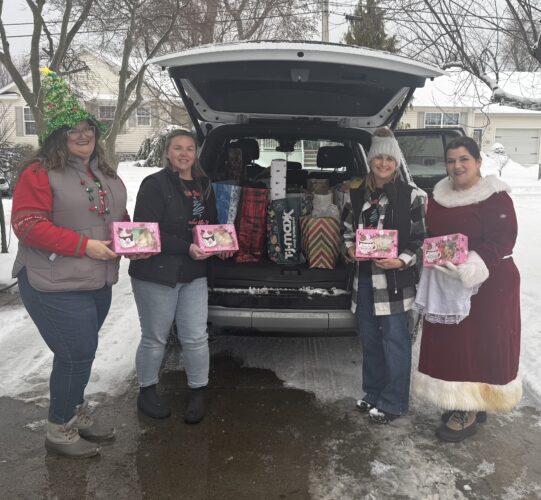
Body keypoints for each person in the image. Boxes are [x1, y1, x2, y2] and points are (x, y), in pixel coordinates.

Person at [11, 68, 128, 458]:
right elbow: (28, 225)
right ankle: (59, 429)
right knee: (76, 353)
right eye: (72, 130)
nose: (83, 135)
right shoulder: (39, 172)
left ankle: (73, 412)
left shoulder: (104, 172)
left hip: (97, 280)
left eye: (88, 128)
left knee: (82, 352)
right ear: (57, 136)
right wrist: (84, 245)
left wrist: (133, 238)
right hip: (52, 281)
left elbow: (116, 218)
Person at [412, 136, 522, 442]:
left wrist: (473, 265)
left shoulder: (495, 197)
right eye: (451, 160)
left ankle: (470, 408)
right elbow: (432, 233)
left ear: (478, 162)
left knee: (480, 345)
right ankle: (464, 399)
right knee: (455, 346)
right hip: (447, 282)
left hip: (489, 282)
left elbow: (503, 239)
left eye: (464, 159)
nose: (457, 166)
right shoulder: (439, 196)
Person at [129, 129, 228, 424]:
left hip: (194, 272)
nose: (184, 154)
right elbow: (145, 232)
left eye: (189, 149)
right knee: (155, 337)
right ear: (167, 153)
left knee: (195, 337)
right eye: (178, 148)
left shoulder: (203, 185)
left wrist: (218, 245)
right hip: (156, 273)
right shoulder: (154, 184)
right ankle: (147, 391)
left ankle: (198, 391)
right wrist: (187, 247)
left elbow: (210, 224)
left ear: (196, 154)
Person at [342, 127, 427, 424]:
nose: (383, 163)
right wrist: (349, 249)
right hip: (364, 279)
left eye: (389, 159)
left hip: (395, 281)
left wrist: (401, 260)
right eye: (378, 157)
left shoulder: (413, 196)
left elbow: (420, 238)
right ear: (370, 160)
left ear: (396, 162)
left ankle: (394, 402)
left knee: (395, 341)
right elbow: (347, 230)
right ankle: (374, 392)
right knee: (370, 340)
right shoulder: (356, 193)